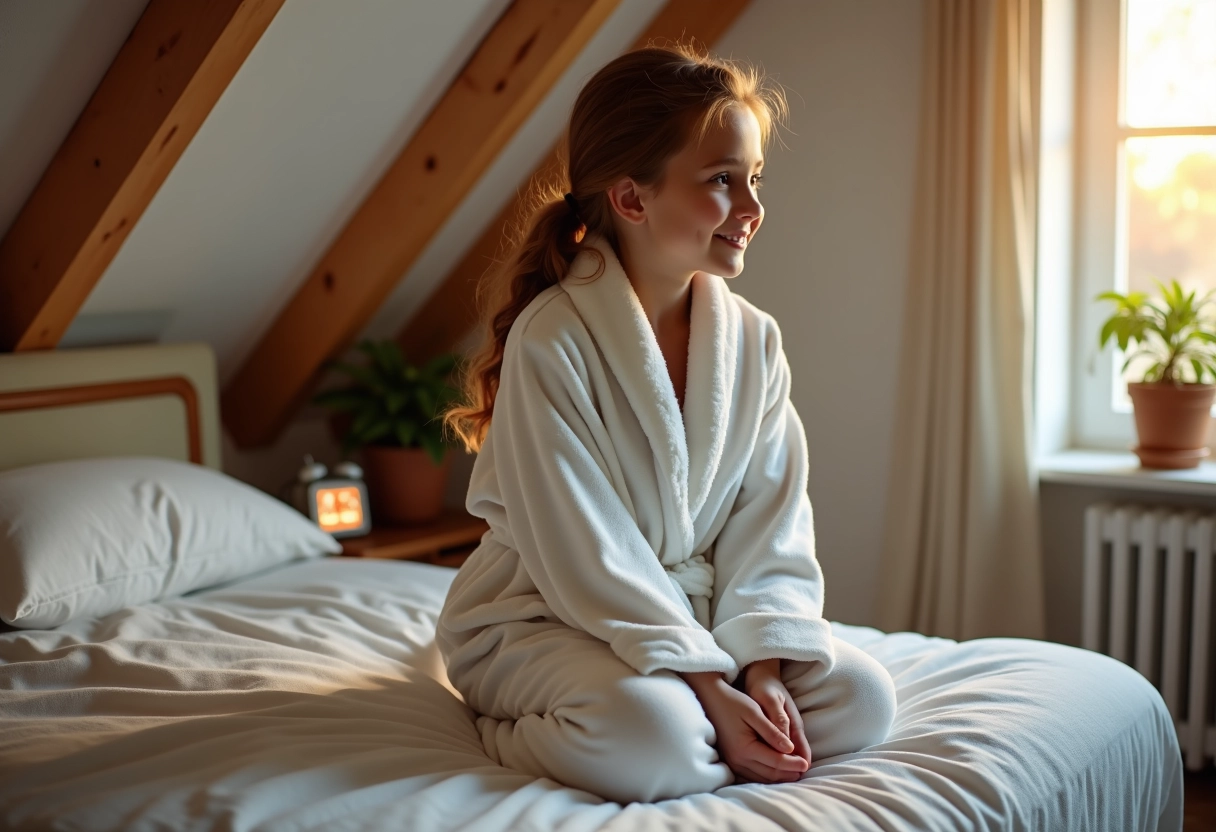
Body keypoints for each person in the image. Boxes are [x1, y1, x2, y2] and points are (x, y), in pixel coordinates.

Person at [437, 41, 897, 805]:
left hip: (692, 619)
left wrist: (762, 669)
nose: (752, 208)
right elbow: (584, 548)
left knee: (863, 699)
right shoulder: (553, 339)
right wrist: (711, 689)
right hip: (545, 615)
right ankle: (508, 729)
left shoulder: (752, 340)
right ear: (631, 198)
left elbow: (770, 524)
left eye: (754, 179)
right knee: (657, 742)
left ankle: (701, 715)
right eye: (721, 181)